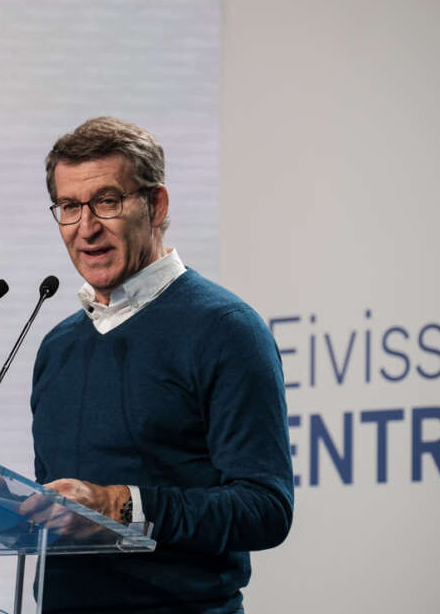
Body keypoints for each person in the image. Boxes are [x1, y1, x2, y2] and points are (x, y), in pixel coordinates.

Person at [29, 117, 293, 613]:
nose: (86, 228)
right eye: (69, 207)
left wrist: (121, 505)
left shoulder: (225, 328)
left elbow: (266, 508)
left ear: (156, 206)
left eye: (107, 201)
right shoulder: (56, 346)